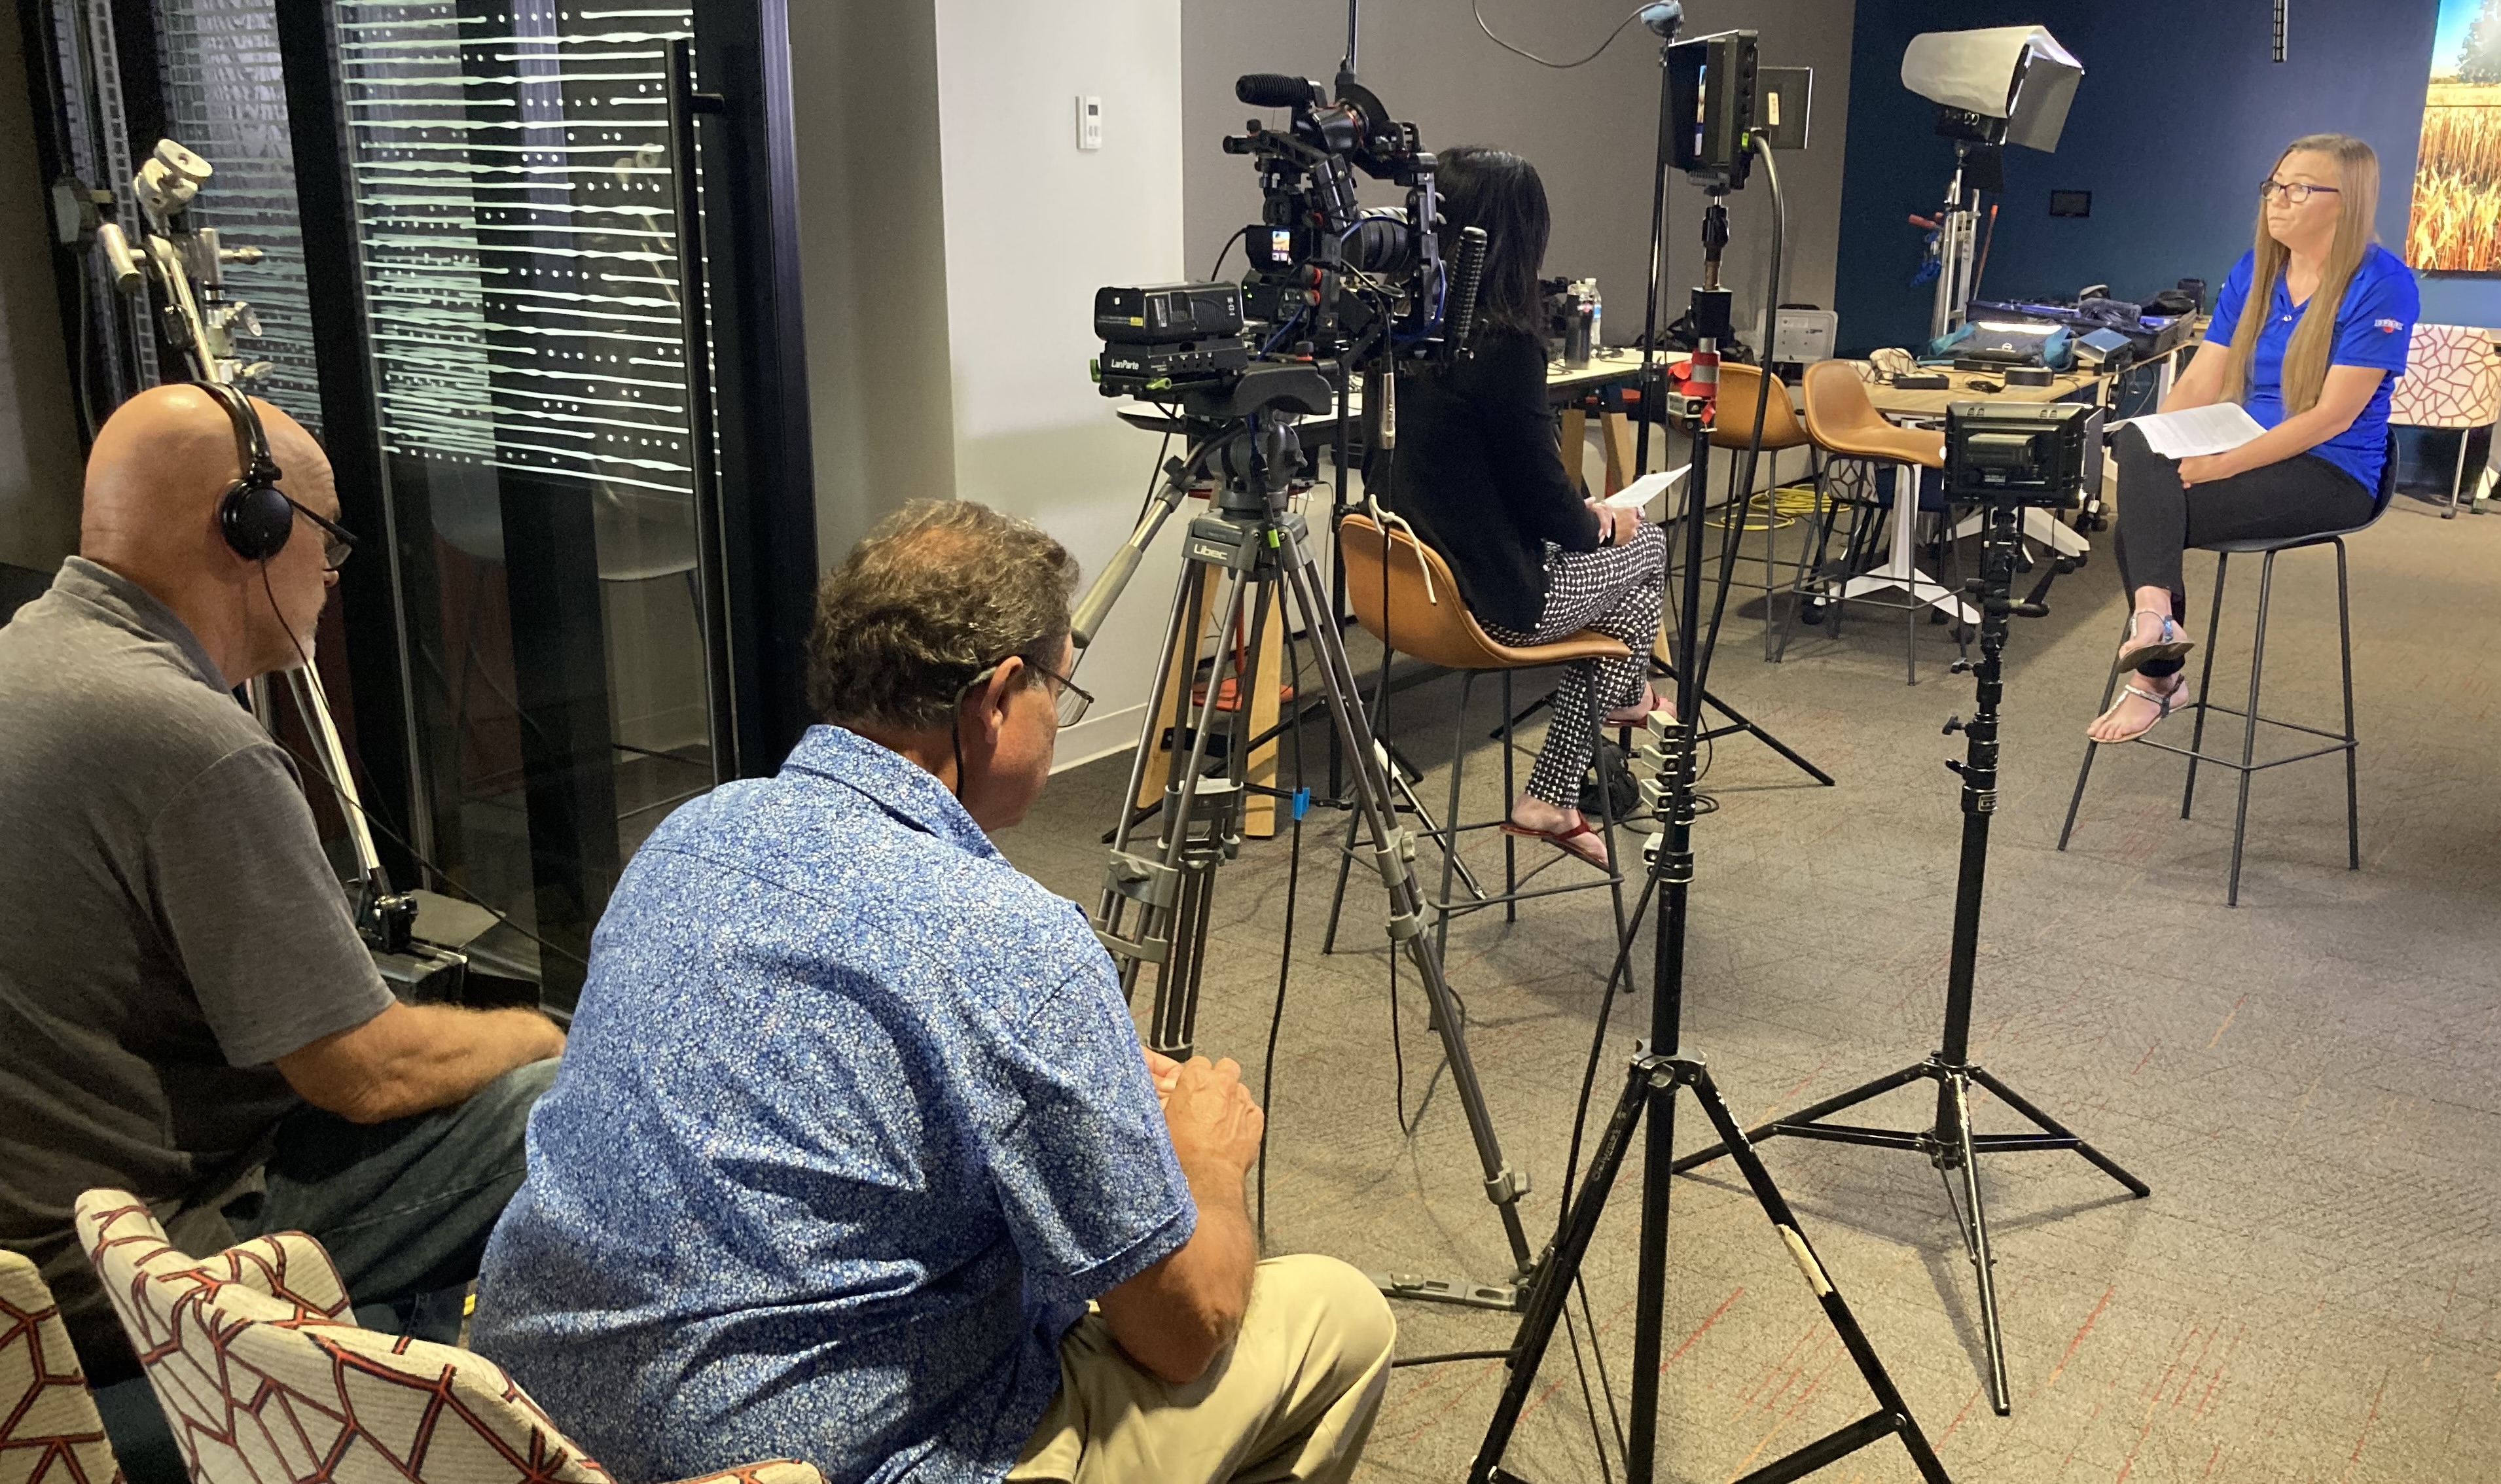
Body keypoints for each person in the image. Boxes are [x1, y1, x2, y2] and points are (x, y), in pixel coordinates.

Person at [472, 502, 1395, 1484]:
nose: (1057, 717)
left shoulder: (688, 835)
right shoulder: (1020, 944)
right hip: (803, 1462)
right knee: (1340, 1316)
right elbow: (1182, 1331)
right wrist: (1205, 1164)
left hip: (527, 1430)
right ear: (995, 700)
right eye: (1058, 690)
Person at [0, 384, 567, 1390]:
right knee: (573, 1109)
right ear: (250, 526)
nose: (333, 571)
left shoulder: (25, 654)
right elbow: (362, 1075)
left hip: (35, 1251)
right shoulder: (190, 743)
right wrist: (545, 1034)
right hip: (135, 1271)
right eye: (326, 535)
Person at [1389, 147, 1669, 868]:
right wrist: (1603, 520)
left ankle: (1617, 706)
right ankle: (1614, 709)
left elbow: (1493, 476)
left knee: (1619, 597)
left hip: (1417, 590)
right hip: (1495, 604)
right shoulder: (1507, 348)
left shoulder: (1407, 336)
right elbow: (1551, 510)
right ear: (1522, 238)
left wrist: (1580, 517)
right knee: (1649, 547)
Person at [2089, 133, 2417, 743]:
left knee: (2145, 521)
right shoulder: (2255, 272)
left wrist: (2220, 466)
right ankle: (2155, 619)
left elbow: (2331, 417)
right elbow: (2201, 381)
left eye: (2299, 189)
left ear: (2346, 202)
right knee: (2139, 442)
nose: (2278, 200)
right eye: (2274, 186)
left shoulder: (2383, 283)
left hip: (2330, 470)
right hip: (2240, 440)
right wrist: (2165, 439)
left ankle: (2157, 676)